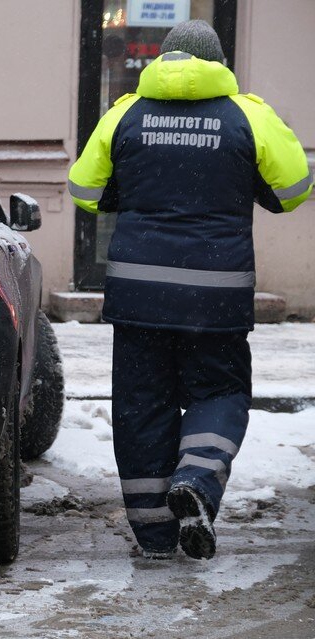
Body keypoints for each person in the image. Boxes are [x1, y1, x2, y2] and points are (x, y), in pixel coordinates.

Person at [68, 20, 312, 560]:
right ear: (220, 62)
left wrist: (129, 192)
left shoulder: (126, 111)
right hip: (216, 294)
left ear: (163, 59)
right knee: (219, 393)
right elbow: (295, 188)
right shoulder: (247, 112)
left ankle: (154, 535)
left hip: (138, 295)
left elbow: (84, 190)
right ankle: (198, 480)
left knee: (141, 406)